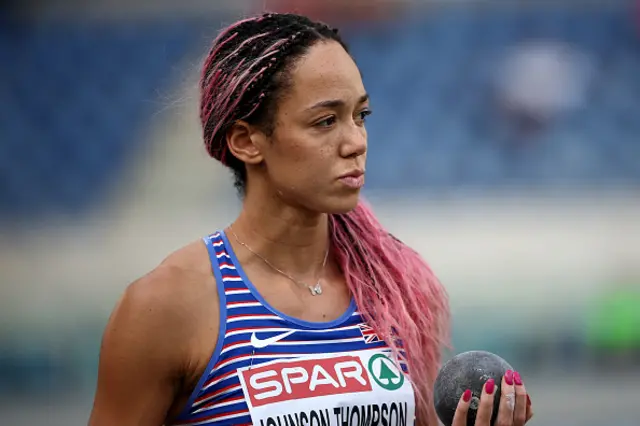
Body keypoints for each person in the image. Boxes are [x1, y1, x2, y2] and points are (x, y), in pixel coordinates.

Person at [88, 13, 533, 426]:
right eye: (325, 121)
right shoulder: (165, 307)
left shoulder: (392, 288)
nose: (356, 141)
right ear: (246, 141)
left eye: (360, 116)